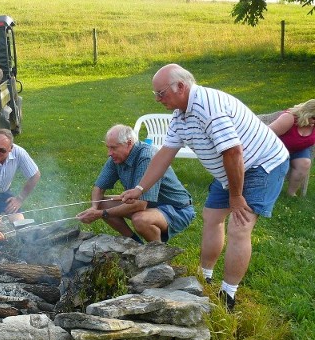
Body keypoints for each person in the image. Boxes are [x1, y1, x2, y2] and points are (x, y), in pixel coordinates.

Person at [121, 64, 289, 312]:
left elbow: (233, 152)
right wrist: (139, 187)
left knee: (239, 226)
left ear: (181, 86)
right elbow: (165, 154)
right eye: (155, 94)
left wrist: (236, 196)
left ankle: (228, 295)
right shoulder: (180, 115)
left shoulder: (208, 108)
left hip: (262, 164)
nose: (157, 99)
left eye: (161, 93)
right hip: (231, 167)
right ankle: (204, 277)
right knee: (212, 217)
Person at [76, 124, 195, 243]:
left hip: (176, 208)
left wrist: (102, 214)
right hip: (149, 204)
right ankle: (135, 244)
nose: (109, 153)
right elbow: (99, 187)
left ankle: (158, 252)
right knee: (101, 203)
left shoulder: (146, 156)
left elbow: (140, 204)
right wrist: (94, 207)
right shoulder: (116, 158)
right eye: (108, 148)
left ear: (129, 143)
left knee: (140, 220)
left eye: (113, 148)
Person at [268, 99, 315, 197]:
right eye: (314, 118)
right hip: (277, 147)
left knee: (305, 163)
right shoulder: (289, 118)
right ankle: (268, 190)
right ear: (306, 113)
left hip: (298, 149)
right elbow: (266, 134)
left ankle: (291, 194)